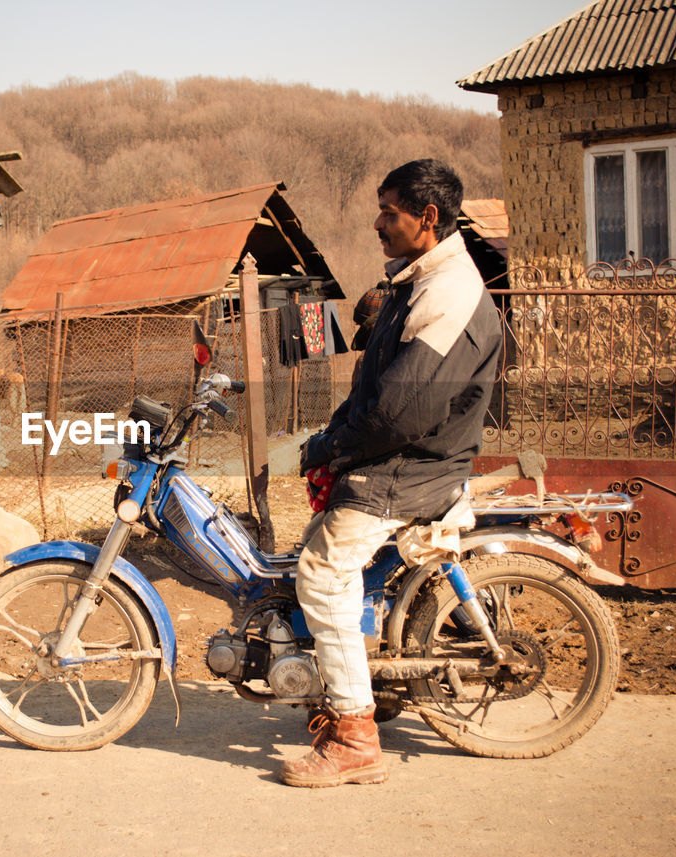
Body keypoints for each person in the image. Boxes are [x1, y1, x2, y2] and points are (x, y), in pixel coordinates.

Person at [285, 159, 502, 787]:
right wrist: (331, 437)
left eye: (390, 211)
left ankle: (354, 737)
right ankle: (351, 679)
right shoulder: (419, 281)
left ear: (426, 217)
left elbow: (399, 412)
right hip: (404, 459)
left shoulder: (448, 292)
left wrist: (333, 448)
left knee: (322, 574)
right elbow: (377, 390)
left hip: (410, 468)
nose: (379, 224)